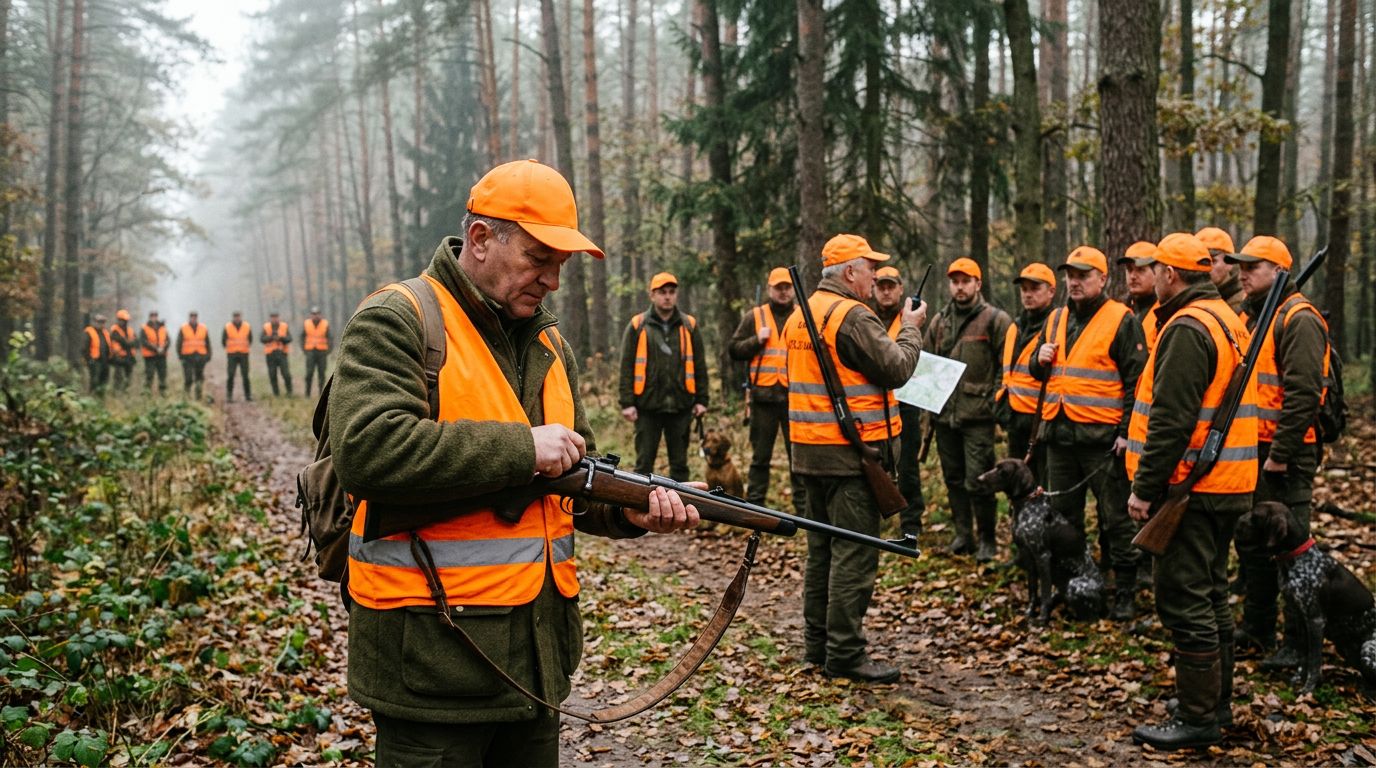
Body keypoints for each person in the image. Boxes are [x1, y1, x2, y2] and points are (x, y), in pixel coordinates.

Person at [328, 159, 699, 766]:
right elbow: (368, 450)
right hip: (433, 667)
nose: (552, 279)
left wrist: (635, 511)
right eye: (538, 258)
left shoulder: (550, 343)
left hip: (535, 666)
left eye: (561, 265)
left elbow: (569, 484)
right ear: (480, 239)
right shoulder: (399, 319)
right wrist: (523, 449)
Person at [1126, 232, 1258, 750]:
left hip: (1193, 486)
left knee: (1184, 599)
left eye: (1155, 268)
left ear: (1171, 275)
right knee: (1212, 593)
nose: (1151, 276)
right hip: (1227, 482)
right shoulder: (1227, 318)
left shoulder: (1186, 327)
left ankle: (1200, 719)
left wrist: (1145, 488)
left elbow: (1171, 421)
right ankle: (1213, 702)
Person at [783, 234, 925, 683]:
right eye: (869, 268)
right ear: (849, 273)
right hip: (851, 456)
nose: (875, 276)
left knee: (821, 550)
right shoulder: (852, 315)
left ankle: (817, 645)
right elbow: (898, 368)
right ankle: (844, 655)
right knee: (854, 553)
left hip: (808, 453)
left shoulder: (800, 317)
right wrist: (911, 326)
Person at [1225, 236, 1329, 666]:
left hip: (1286, 455)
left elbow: (1304, 394)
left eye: (1253, 266)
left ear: (1279, 271)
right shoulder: (1255, 317)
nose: (1242, 273)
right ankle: (1259, 628)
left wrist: (1281, 454)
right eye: (1241, 266)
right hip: (1256, 449)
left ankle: (1299, 644)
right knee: (1256, 547)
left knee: (1293, 550)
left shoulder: (1299, 319)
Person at [1029, 246, 1146, 621]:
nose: (1074, 282)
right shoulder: (1056, 318)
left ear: (1102, 279)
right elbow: (1036, 370)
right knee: (1064, 519)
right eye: (1070, 276)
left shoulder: (1122, 319)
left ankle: (1126, 592)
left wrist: (1126, 432)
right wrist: (1038, 359)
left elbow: (1137, 382)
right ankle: (1075, 586)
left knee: (1116, 518)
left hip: (1103, 442)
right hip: (1060, 438)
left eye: (1083, 275)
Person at [924, 258, 1012, 561]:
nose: (959, 287)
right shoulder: (939, 321)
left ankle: (988, 540)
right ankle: (964, 535)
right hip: (945, 415)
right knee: (953, 477)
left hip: (978, 417)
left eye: (966, 281)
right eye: (955, 281)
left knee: (979, 479)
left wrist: (993, 402)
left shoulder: (995, 320)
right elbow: (927, 364)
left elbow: (1006, 365)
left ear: (978, 284)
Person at [727, 266, 807, 515]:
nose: (783, 292)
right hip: (762, 398)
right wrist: (756, 341)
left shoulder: (803, 316)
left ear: (793, 289)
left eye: (787, 287)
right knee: (760, 457)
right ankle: (754, 507)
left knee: (799, 459)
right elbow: (734, 349)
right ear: (770, 289)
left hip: (795, 397)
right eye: (779, 287)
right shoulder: (755, 316)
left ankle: (804, 510)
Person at [618, 272, 709, 481]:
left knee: (680, 465)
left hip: (681, 405)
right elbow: (626, 367)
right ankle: (639, 509)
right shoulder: (637, 325)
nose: (667, 297)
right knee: (643, 465)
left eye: (671, 292)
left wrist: (702, 400)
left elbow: (699, 365)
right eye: (662, 292)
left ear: (676, 295)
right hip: (647, 406)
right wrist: (627, 403)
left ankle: (682, 509)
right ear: (652, 295)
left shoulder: (690, 325)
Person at [868, 265, 928, 538]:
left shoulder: (914, 318)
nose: (886, 290)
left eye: (891, 285)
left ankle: (911, 523)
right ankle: (875, 517)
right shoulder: (864, 317)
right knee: (873, 462)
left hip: (906, 403)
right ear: (874, 288)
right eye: (881, 285)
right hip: (871, 403)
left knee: (907, 466)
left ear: (901, 289)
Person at [999, 262, 1056, 481]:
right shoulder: (1016, 326)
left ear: (1051, 291)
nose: (1028, 294)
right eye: (1024, 289)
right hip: (1015, 418)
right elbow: (1004, 370)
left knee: (1041, 483)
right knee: (1017, 482)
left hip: (1041, 420)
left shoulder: (1056, 326)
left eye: (1035, 288)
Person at [1119, 241, 1162, 353]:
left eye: (1141, 270)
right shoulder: (1119, 310)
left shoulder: (1164, 312)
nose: (1133, 276)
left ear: (1156, 272)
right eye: (1129, 269)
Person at [1196, 227, 1245, 312]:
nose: (1206, 268)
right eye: (1201, 262)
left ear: (1229, 264)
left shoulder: (1242, 305)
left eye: (1213, 261)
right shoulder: (1191, 297)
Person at [177, 311, 210, 400]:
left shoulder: (203, 328)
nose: (193, 318)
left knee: (199, 377)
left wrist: (208, 355)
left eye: (195, 317)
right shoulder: (183, 328)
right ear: (189, 318)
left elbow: (207, 342)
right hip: (187, 357)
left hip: (200, 356)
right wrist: (180, 356)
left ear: (197, 318)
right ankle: (186, 397)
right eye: (192, 317)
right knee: (188, 378)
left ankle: (198, 397)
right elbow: (179, 343)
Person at [262, 311, 295, 397]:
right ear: (270, 318)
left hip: (282, 353)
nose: (274, 319)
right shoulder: (266, 327)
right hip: (270, 354)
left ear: (279, 318)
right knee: (272, 374)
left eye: (276, 317)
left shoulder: (284, 326)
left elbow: (290, 338)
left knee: (286, 374)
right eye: (273, 317)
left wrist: (281, 338)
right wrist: (271, 337)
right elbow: (262, 339)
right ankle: (276, 393)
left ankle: (289, 392)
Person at [223, 311, 253, 402]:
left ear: (241, 317)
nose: (237, 318)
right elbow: (223, 340)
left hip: (244, 354)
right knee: (231, 375)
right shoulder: (227, 327)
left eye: (238, 316)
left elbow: (250, 339)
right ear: (233, 317)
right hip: (232, 354)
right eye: (235, 317)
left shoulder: (247, 326)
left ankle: (248, 395)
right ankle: (229, 396)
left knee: (245, 375)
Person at [303, 306, 332, 397]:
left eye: (317, 314)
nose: (315, 316)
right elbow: (302, 337)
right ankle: (307, 393)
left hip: (322, 352)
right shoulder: (306, 324)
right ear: (311, 315)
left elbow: (330, 338)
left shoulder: (325, 324)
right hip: (310, 352)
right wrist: (304, 349)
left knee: (322, 373)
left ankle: (321, 393)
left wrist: (328, 350)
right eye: (313, 314)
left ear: (320, 315)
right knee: (309, 373)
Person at [140, 310, 170, 395]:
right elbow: (143, 341)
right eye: (152, 316)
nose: (154, 317)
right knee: (149, 375)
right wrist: (155, 348)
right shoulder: (144, 328)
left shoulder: (163, 328)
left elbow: (168, 340)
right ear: (149, 317)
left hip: (161, 356)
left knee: (162, 375)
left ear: (157, 317)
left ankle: (163, 393)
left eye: (155, 316)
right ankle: (147, 393)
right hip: (150, 356)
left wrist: (163, 348)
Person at [108, 310, 137, 393]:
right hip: (119, 358)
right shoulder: (115, 330)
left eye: (124, 320)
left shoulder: (130, 330)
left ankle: (126, 392)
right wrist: (130, 343)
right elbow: (124, 343)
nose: (122, 322)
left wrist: (129, 343)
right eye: (121, 320)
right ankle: (116, 393)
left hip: (129, 357)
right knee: (118, 377)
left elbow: (137, 342)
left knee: (129, 377)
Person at [82, 314, 111, 395]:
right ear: (94, 322)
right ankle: (92, 397)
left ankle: (100, 398)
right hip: (95, 361)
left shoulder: (105, 333)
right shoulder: (89, 332)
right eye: (99, 322)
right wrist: (88, 359)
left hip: (104, 361)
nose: (101, 324)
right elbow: (85, 348)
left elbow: (108, 346)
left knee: (104, 380)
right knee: (94, 381)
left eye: (103, 322)